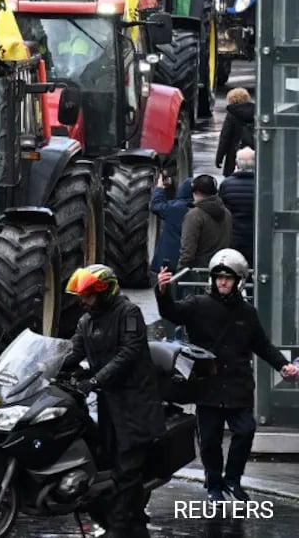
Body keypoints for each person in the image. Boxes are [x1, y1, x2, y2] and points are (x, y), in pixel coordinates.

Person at [156, 250, 299, 502]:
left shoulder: (247, 312)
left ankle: (233, 480)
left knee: (245, 431)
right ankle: (214, 485)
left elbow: (262, 345)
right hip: (207, 387)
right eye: (218, 277)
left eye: (228, 278)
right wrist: (163, 291)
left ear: (239, 280)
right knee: (210, 440)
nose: (222, 282)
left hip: (238, 385)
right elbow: (172, 312)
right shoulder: (197, 304)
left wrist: (282, 366)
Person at [62, 264, 164, 538]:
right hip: (108, 403)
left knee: (127, 469)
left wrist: (95, 381)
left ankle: (118, 529)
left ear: (105, 292)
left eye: (89, 296)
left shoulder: (129, 313)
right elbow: (73, 350)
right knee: (106, 462)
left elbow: (128, 352)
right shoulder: (87, 320)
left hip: (135, 403)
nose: (83, 302)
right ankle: (132, 522)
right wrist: (45, 368)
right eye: (81, 296)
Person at [179, 174, 231, 269]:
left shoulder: (194, 215)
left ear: (197, 192)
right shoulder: (226, 213)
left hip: (199, 272)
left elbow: (187, 250)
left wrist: (181, 271)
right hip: (220, 269)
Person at [150, 173, 193, 274]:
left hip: (170, 261)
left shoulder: (174, 208)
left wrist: (160, 188)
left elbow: (156, 205)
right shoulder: (202, 210)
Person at [218, 148, 255, 261]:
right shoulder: (261, 185)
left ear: (236, 163)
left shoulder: (226, 185)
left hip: (233, 235)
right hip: (255, 235)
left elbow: (221, 210)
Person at [215, 87, 254, 177]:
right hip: (253, 152)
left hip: (234, 154)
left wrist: (219, 158)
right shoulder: (255, 112)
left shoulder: (232, 115)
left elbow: (225, 138)